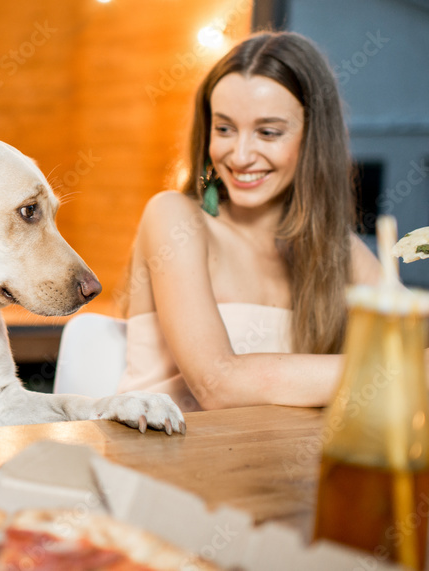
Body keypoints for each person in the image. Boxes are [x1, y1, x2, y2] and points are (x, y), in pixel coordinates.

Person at [116, 31, 382, 412]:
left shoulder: (340, 249)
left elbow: (410, 337)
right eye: (224, 128)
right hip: (161, 462)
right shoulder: (176, 218)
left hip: (275, 466)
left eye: (268, 132)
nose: (240, 155)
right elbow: (218, 385)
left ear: (313, 140)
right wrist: (393, 372)